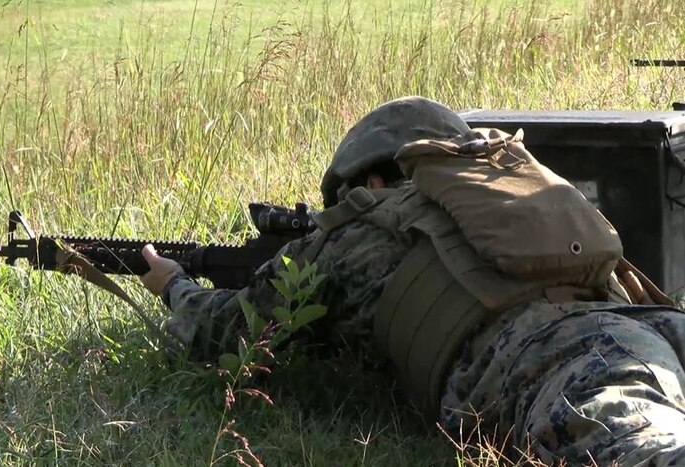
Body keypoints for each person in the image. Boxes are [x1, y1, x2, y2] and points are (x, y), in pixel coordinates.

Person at [138, 97, 685, 466]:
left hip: (562, 362)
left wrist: (173, 284)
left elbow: (225, 333)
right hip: (646, 326)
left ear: (372, 181)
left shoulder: (355, 231)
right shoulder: (500, 204)